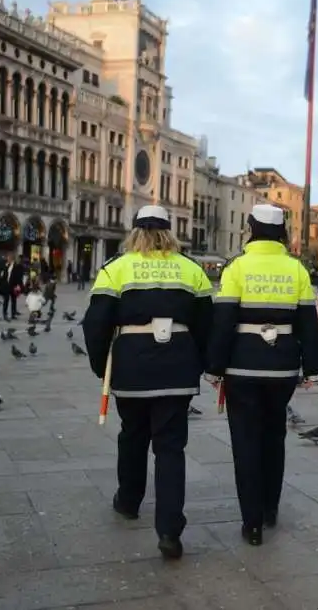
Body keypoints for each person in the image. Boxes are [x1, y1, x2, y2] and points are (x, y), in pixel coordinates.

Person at [82, 205, 213, 560]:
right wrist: (199, 362)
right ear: (169, 232)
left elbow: (95, 324)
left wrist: (101, 366)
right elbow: (206, 325)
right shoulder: (192, 270)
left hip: (131, 367)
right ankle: (170, 530)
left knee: (133, 435)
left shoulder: (115, 269)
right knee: (170, 447)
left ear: (135, 231)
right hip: (177, 368)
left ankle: (128, 500)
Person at [205, 204, 318, 547]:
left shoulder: (237, 267)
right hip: (283, 366)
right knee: (274, 437)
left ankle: (252, 522)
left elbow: (223, 321)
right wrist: (312, 368)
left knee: (245, 442)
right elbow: (308, 324)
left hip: (242, 365)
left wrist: (214, 367)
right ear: (282, 232)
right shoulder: (296, 269)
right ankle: (270, 508)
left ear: (251, 229)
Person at [0, 253, 25, 320]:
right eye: (7, 258)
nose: (8, 259)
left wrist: (18, 285)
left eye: (9, 258)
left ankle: (13, 314)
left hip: (13, 285)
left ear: (12, 259)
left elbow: (19, 277)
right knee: (6, 300)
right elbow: (1, 275)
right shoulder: (4, 265)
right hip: (6, 285)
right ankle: (5, 313)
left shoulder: (17, 266)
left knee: (13, 300)